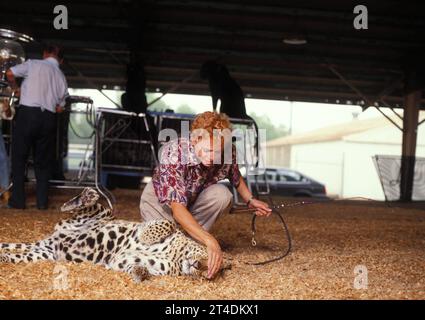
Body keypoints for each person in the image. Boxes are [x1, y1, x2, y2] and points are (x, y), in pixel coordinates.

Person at [139, 111, 271, 279]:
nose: (212, 157)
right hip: (160, 202)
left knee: (223, 194)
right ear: (195, 140)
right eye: (207, 150)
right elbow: (177, 209)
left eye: (217, 152)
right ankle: (193, 241)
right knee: (161, 248)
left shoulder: (225, 150)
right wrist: (210, 240)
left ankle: (191, 240)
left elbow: (234, 176)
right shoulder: (174, 152)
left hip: (192, 198)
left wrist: (250, 200)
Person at [5, 44, 69, 210]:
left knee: (19, 158)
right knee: (43, 161)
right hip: (48, 118)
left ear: (44, 53)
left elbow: (10, 73)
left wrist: (16, 89)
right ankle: (42, 203)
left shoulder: (33, 64)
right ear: (60, 60)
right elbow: (60, 107)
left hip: (28, 114)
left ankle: (18, 201)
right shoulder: (61, 76)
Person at [0, 92, 14, 204]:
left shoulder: (6, 90)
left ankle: (5, 189)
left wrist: (7, 108)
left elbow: (9, 116)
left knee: (3, 158)